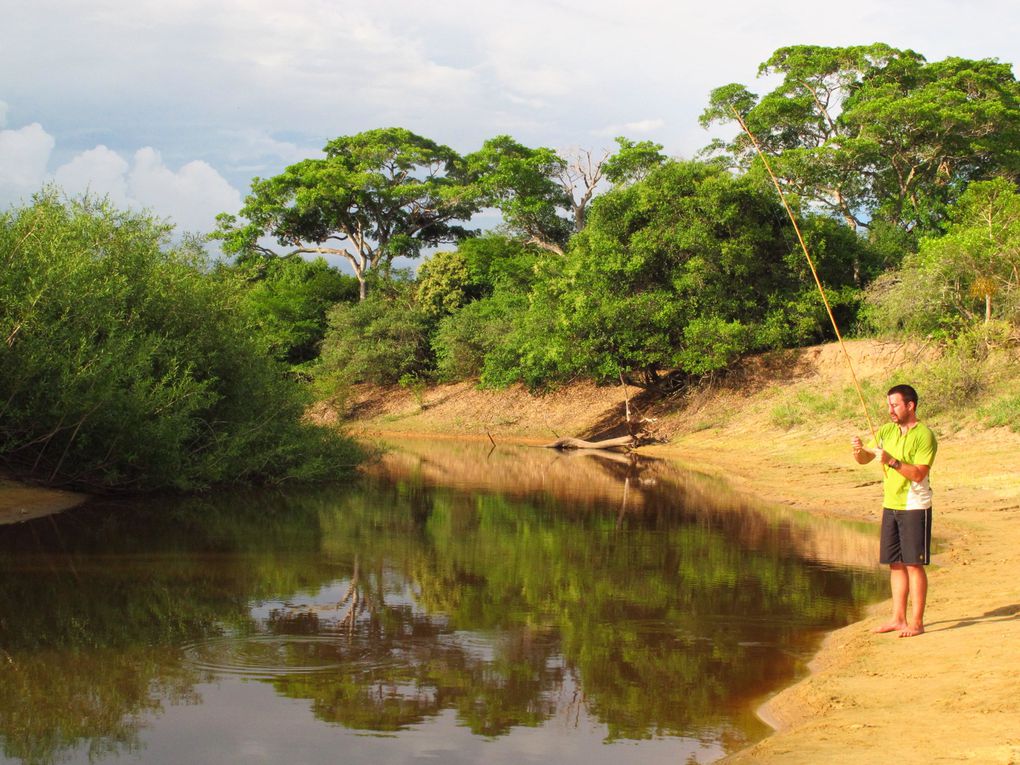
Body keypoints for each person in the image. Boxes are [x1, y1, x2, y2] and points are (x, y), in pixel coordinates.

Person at [851, 384, 938, 638]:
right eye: (888, 405)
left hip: (914, 505)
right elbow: (866, 458)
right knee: (895, 564)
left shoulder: (925, 435)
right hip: (890, 504)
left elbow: (919, 473)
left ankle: (917, 622)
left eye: (895, 405)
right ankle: (898, 619)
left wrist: (891, 460)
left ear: (910, 406)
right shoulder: (887, 430)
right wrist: (858, 450)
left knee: (913, 564)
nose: (890, 410)